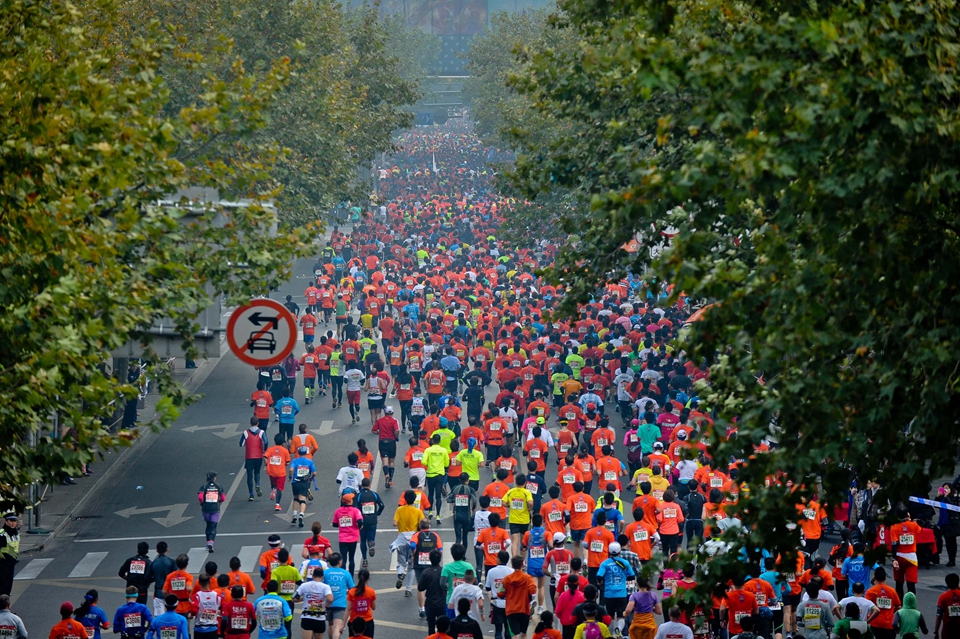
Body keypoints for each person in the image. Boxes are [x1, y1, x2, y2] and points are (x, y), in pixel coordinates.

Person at [596, 543, 635, 637]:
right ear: (619, 551)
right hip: (621, 593)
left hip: (609, 594)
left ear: (609, 551)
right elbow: (632, 576)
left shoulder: (604, 563)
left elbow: (599, 577)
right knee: (621, 616)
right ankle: (618, 630)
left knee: (610, 616)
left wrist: (601, 583)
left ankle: (612, 634)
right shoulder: (625, 563)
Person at [501, 555, 538, 639]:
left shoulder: (506, 579)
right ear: (522, 565)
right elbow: (533, 592)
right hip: (524, 610)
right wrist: (530, 601)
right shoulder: (528, 578)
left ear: (512, 565)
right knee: (523, 634)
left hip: (511, 610)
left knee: (514, 634)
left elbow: (500, 593)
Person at [293, 566, 334, 639]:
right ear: (322, 577)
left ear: (312, 576)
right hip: (319, 617)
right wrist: (328, 604)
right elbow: (330, 599)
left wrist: (303, 598)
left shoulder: (304, 585)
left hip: (307, 616)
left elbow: (293, 598)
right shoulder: (325, 587)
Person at [323, 553, 355, 639]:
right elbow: (352, 589)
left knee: (330, 625)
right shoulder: (346, 573)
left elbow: (321, 587)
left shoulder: (325, 573)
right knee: (337, 628)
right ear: (340, 561)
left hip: (328, 603)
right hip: (340, 604)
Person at [333, 493, 364, 576]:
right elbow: (360, 521)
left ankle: (343, 576)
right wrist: (359, 527)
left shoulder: (338, 511)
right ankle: (351, 577)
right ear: (350, 501)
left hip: (342, 538)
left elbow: (335, 524)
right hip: (353, 538)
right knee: (351, 558)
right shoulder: (355, 511)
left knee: (343, 558)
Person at [486, 550, 514, 639]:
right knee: (508, 630)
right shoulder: (512, 571)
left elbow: (488, 588)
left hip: (496, 603)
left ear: (498, 559)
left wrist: (491, 602)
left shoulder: (491, 571)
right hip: (509, 604)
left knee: (498, 630)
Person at [419, 549, 447, 633]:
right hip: (442, 603)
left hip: (430, 603)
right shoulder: (443, 571)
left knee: (431, 627)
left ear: (430, 559)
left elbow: (420, 588)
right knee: (443, 628)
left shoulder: (426, 572)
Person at [240, 418, 267, 501]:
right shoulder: (261, 432)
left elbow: (241, 444)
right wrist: (264, 450)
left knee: (249, 475)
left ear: (250, 423)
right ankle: (257, 484)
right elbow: (265, 442)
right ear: (258, 423)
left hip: (249, 457)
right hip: (258, 456)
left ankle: (251, 494)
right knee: (257, 472)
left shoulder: (246, 432)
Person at [290, 447, 317, 528]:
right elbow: (315, 473)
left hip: (295, 482)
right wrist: (311, 478)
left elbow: (291, 469)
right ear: (306, 453)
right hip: (305, 483)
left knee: (295, 498)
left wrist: (289, 477)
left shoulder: (295, 461)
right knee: (302, 500)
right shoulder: (309, 462)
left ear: (298, 452)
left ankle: (294, 515)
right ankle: (301, 515)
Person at [197, 471, 225, 552]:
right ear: (214, 478)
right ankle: (211, 543)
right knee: (213, 526)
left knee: (208, 525)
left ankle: (208, 542)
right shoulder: (218, 486)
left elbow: (200, 497)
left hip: (206, 509)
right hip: (215, 509)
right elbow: (223, 498)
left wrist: (202, 503)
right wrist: (218, 502)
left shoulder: (204, 486)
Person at [188, 574, 222, 639]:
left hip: (199, 630)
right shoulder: (216, 596)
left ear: (199, 583)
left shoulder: (197, 596)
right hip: (212, 629)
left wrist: (191, 615)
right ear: (209, 582)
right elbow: (223, 606)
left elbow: (194, 610)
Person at [347, 569, 377, 638]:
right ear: (368, 578)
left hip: (354, 622)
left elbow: (348, 609)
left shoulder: (351, 591)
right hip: (368, 621)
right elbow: (374, 607)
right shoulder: (371, 591)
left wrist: (343, 624)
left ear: (358, 577)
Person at [265, 433, 291, 512]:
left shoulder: (270, 449)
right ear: (283, 441)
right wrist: (285, 464)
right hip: (281, 473)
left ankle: (273, 489)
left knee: (273, 484)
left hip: (271, 471)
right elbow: (288, 462)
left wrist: (267, 464)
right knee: (280, 488)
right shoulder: (285, 451)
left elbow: (265, 457)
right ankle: (277, 504)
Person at [150, 542, 176, 617]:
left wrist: (155, 577)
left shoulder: (153, 563)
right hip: (170, 592)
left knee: (159, 617)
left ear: (157, 550)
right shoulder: (171, 562)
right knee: (172, 616)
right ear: (167, 549)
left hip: (158, 592)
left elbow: (147, 578)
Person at [0, 513, 19, 597]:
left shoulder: (16, 533)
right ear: (6, 521)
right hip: (3, 562)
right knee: (3, 585)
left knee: (9, 584)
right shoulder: (2, 534)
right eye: (11, 521)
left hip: (12, 562)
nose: (13, 523)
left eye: (14, 521)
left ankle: (6, 599)